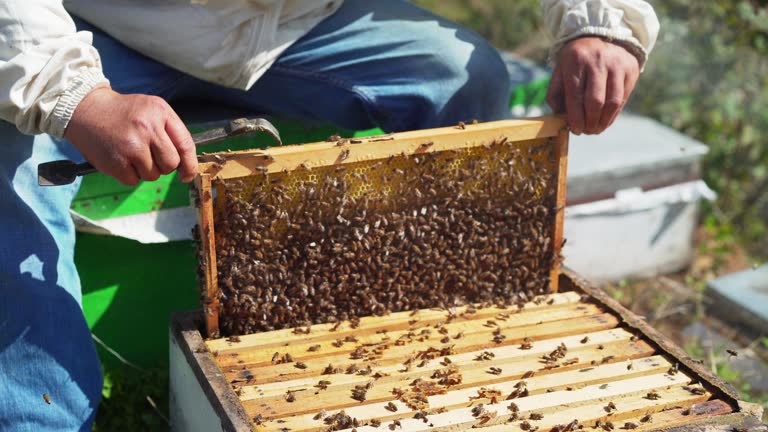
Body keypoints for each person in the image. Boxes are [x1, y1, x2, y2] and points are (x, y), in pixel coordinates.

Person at [0, 0, 659, 430]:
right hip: (93, 24)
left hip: (292, 27)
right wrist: (76, 96)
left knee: (463, 80)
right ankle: (40, 417)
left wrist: (601, 21)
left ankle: (431, 365)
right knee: (11, 156)